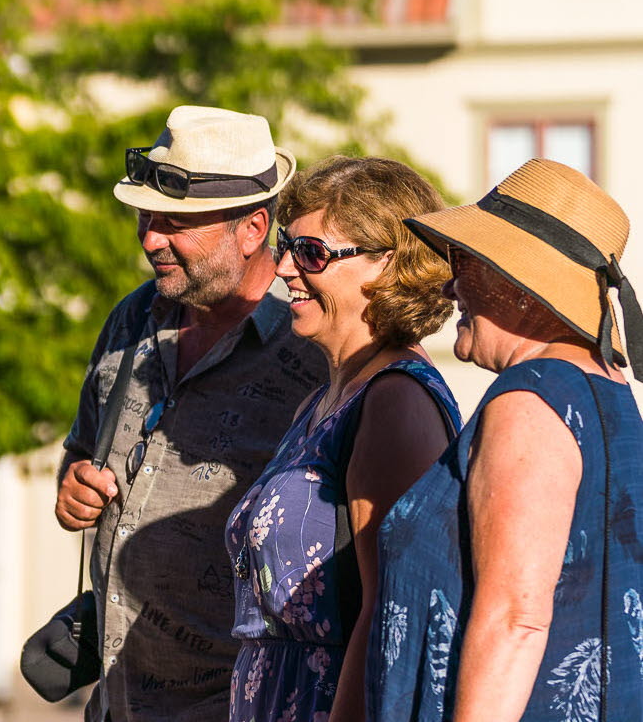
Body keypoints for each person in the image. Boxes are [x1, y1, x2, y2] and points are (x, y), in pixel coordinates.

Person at [53, 105, 327, 720]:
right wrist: (72, 484)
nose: (150, 238)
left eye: (175, 222)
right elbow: (82, 447)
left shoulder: (314, 353)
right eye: (146, 217)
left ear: (254, 228)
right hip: (113, 701)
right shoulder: (132, 317)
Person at [369, 158, 643, 721]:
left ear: (522, 289)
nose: (451, 283)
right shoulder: (604, 390)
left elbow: (515, 619)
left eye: (466, 262)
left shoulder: (531, 400)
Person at [223, 156, 460, 722]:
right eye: (287, 246)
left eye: (311, 253)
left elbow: (388, 615)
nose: (282, 268)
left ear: (389, 264)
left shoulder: (394, 400)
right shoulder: (327, 398)